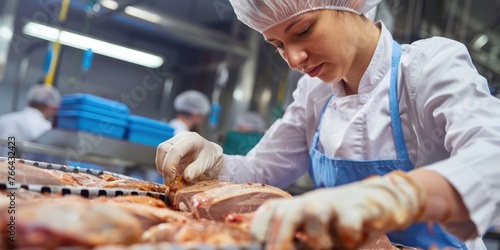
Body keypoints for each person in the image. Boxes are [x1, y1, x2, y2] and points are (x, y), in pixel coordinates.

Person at [155, 1, 500, 249]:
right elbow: (263, 171)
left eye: (303, 30)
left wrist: (390, 198)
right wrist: (218, 164)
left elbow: (492, 156)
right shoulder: (314, 93)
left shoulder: (427, 68)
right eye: (278, 45)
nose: (293, 59)